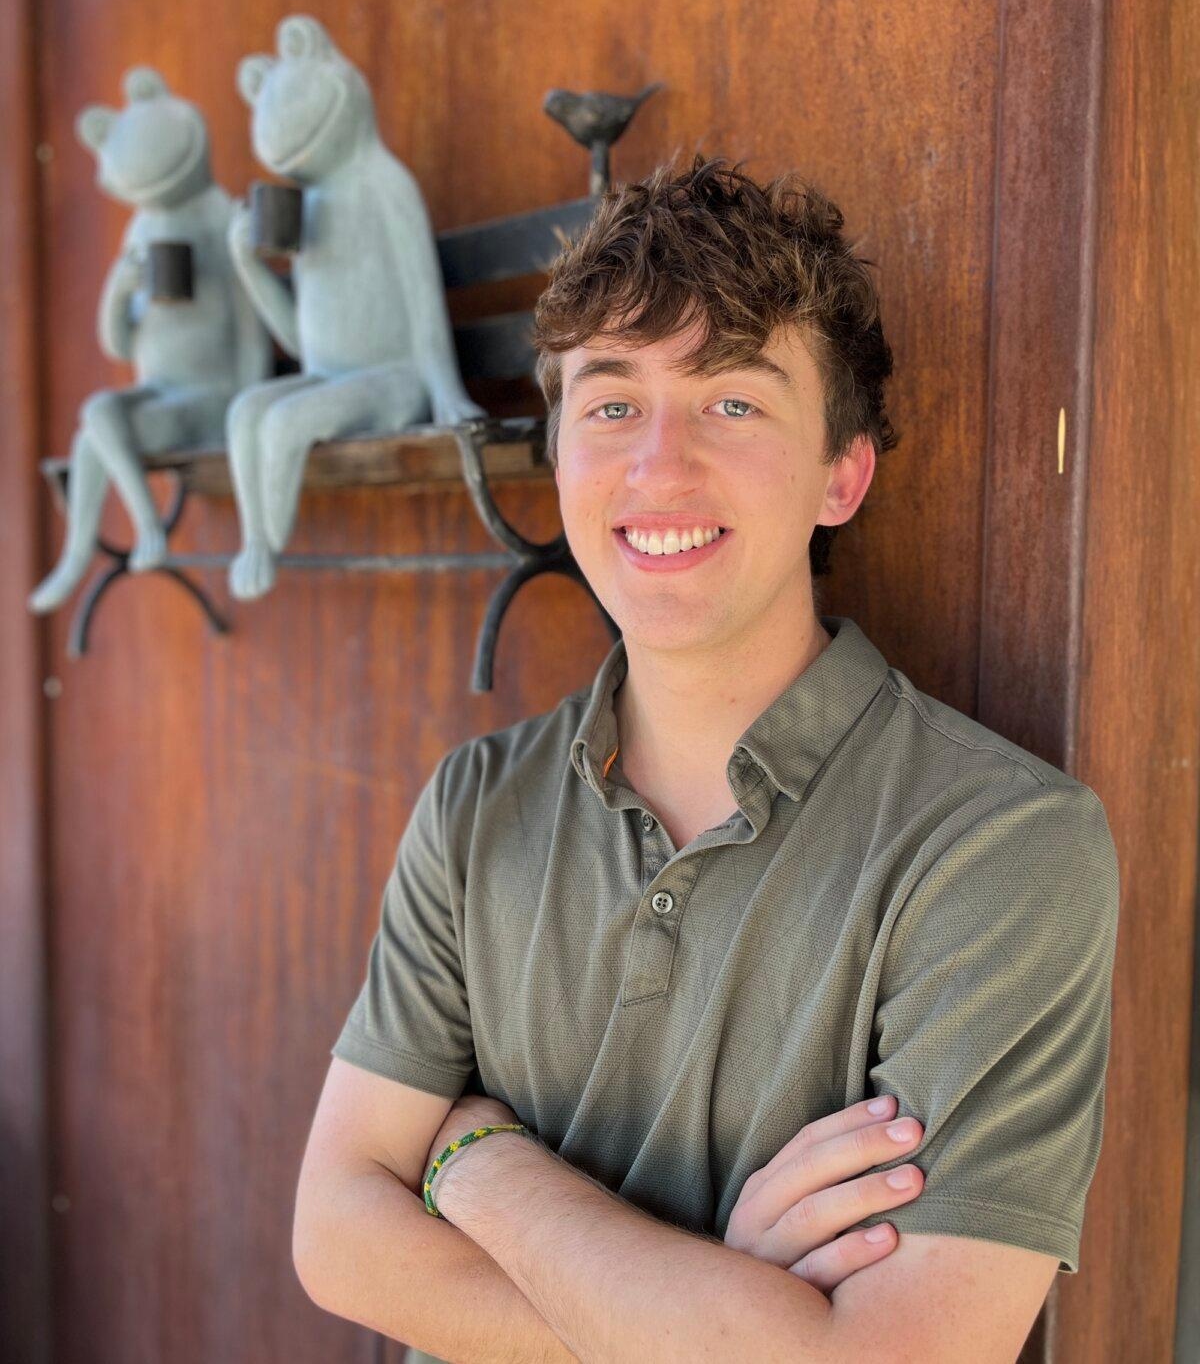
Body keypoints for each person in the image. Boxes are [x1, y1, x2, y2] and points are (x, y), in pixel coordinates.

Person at [292, 154, 1120, 1362]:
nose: (657, 466)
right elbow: (336, 1239)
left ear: (843, 473)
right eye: (613, 402)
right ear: (562, 453)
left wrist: (478, 1165)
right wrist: (718, 1316)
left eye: (734, 401)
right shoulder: (477, 806)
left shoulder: (1000, 843)